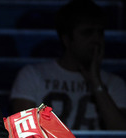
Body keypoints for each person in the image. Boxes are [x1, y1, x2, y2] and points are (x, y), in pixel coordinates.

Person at [10, 0, 126, 130]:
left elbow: (120, 133)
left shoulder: (114, 83)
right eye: (87, 33)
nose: (96, 40)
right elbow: (25, 132)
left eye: (100, 33)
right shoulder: (32, 75)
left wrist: (96, 82)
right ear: (66, 39)